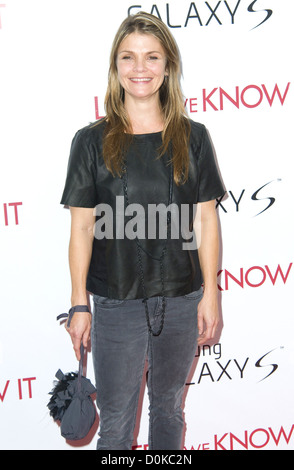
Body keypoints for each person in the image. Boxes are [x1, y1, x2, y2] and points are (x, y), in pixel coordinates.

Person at [60, 12, 225, 450]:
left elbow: (206, 219)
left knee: (169, 408)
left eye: (152, 57)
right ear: (116, 66)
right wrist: (80, 303)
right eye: (129, 57)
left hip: (182, 297)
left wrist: (211, 294)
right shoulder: (91, 141)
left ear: (168, 66)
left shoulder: (193, 137)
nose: (140, 68)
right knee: (115, 424)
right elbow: (80, 227)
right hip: (116, 302)